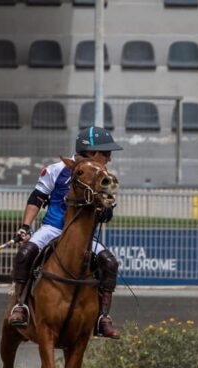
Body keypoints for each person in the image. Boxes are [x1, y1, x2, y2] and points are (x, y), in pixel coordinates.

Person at [7, 126, 121, 339]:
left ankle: (102, 317)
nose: (109, 158)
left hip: (82, 237)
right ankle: (20, 306)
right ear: (93, 152)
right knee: (25, 254)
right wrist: (25, 227)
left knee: (110, 263)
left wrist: (105, 209)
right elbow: (36, 198)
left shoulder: (104, 177)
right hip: (52, 229)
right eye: (106, 153)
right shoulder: (57, 169)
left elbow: (107, 215)